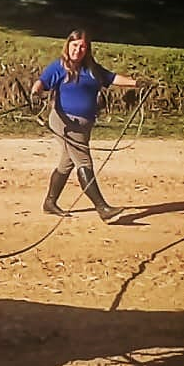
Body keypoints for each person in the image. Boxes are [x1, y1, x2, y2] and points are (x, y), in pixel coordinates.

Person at [30, 28, 139, 223]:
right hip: (66, 123)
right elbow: (41, 83)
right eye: (74, 45)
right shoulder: (59, 67)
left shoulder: (92, 68)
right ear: (68, 45)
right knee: (84, 162)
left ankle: (49, 202)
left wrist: (137, 83)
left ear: (87, 50)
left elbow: (112, 78)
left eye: (82, 47)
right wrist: (35, 94)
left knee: (67, 163)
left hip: (84, 125)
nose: (77, 50)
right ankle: (103, 208)